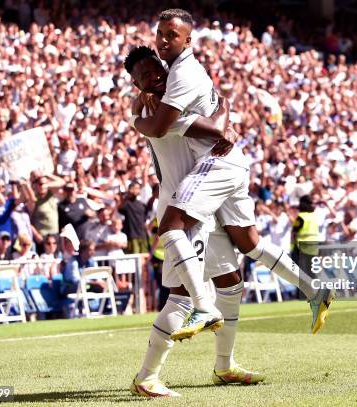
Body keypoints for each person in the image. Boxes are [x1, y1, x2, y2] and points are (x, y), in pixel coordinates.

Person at [129, 10, 333, 342]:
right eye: (160, 34)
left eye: (171, 35)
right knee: (249, 243)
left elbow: (187, 126)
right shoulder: (165, 86)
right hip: (221, 165)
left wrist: (223, 118)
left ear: (187, 39)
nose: (164, 41)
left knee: (171, 225)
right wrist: (223, 113)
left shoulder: (177, 80)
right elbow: (208, 116)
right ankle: (313, 290)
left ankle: (202, 307)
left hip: (215, 166)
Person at [124, 44, 265, 397]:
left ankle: (225, 364)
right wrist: (136, 114)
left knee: (232, 282)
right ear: (137, 85)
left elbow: (215, 107)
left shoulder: (172, 95)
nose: (154, 77)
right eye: (144, 77)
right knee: (180, 297)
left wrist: (225, 112)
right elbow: (209, 128)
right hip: (181, 208)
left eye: (155, 70)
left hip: (202, 206)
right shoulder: (159, 114)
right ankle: (147, 377)